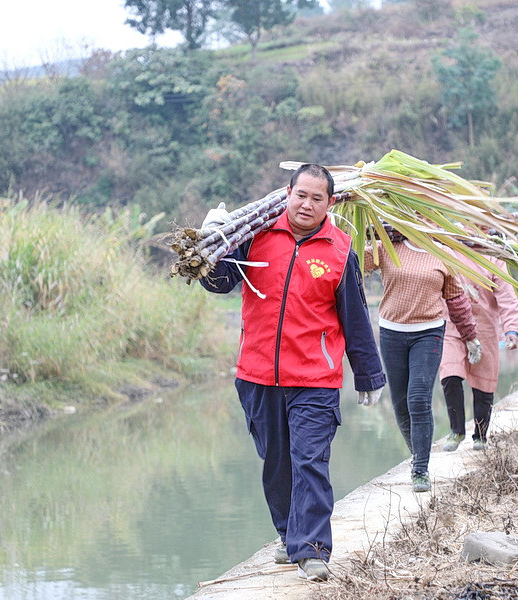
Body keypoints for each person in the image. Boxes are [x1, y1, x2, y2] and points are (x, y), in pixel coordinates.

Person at [198, 164, 386, 583]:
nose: (307, 204)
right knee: (277, 464)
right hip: (257, 374)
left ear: (330, 204)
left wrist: (369, 375)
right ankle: (289, 534)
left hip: (315, 379)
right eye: (301, 195)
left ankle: (313, 549)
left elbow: (355, 317)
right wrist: (211, 239)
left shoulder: (339, 250)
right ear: (288, 192)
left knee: (311, 462)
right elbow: (219, 282)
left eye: (317, 198)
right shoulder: (257, 234)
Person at [363, 235, 479, 493]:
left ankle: (420, 469)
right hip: (391, 332)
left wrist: (470, 336)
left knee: (418, 398)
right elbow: (353, 259)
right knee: (400, 402)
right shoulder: (387, 247)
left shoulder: (442, 253)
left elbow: (456, 300)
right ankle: (419, 453)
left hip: (429, 332)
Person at [439, 246, 518, 452]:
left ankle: (481, 435)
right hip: (452, 326)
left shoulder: (493, 255)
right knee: (450, 373)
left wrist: (512, 328)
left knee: (484, 382)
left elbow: (507, 296)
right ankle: (456, 430)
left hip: (484, 327)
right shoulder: (445, 248)